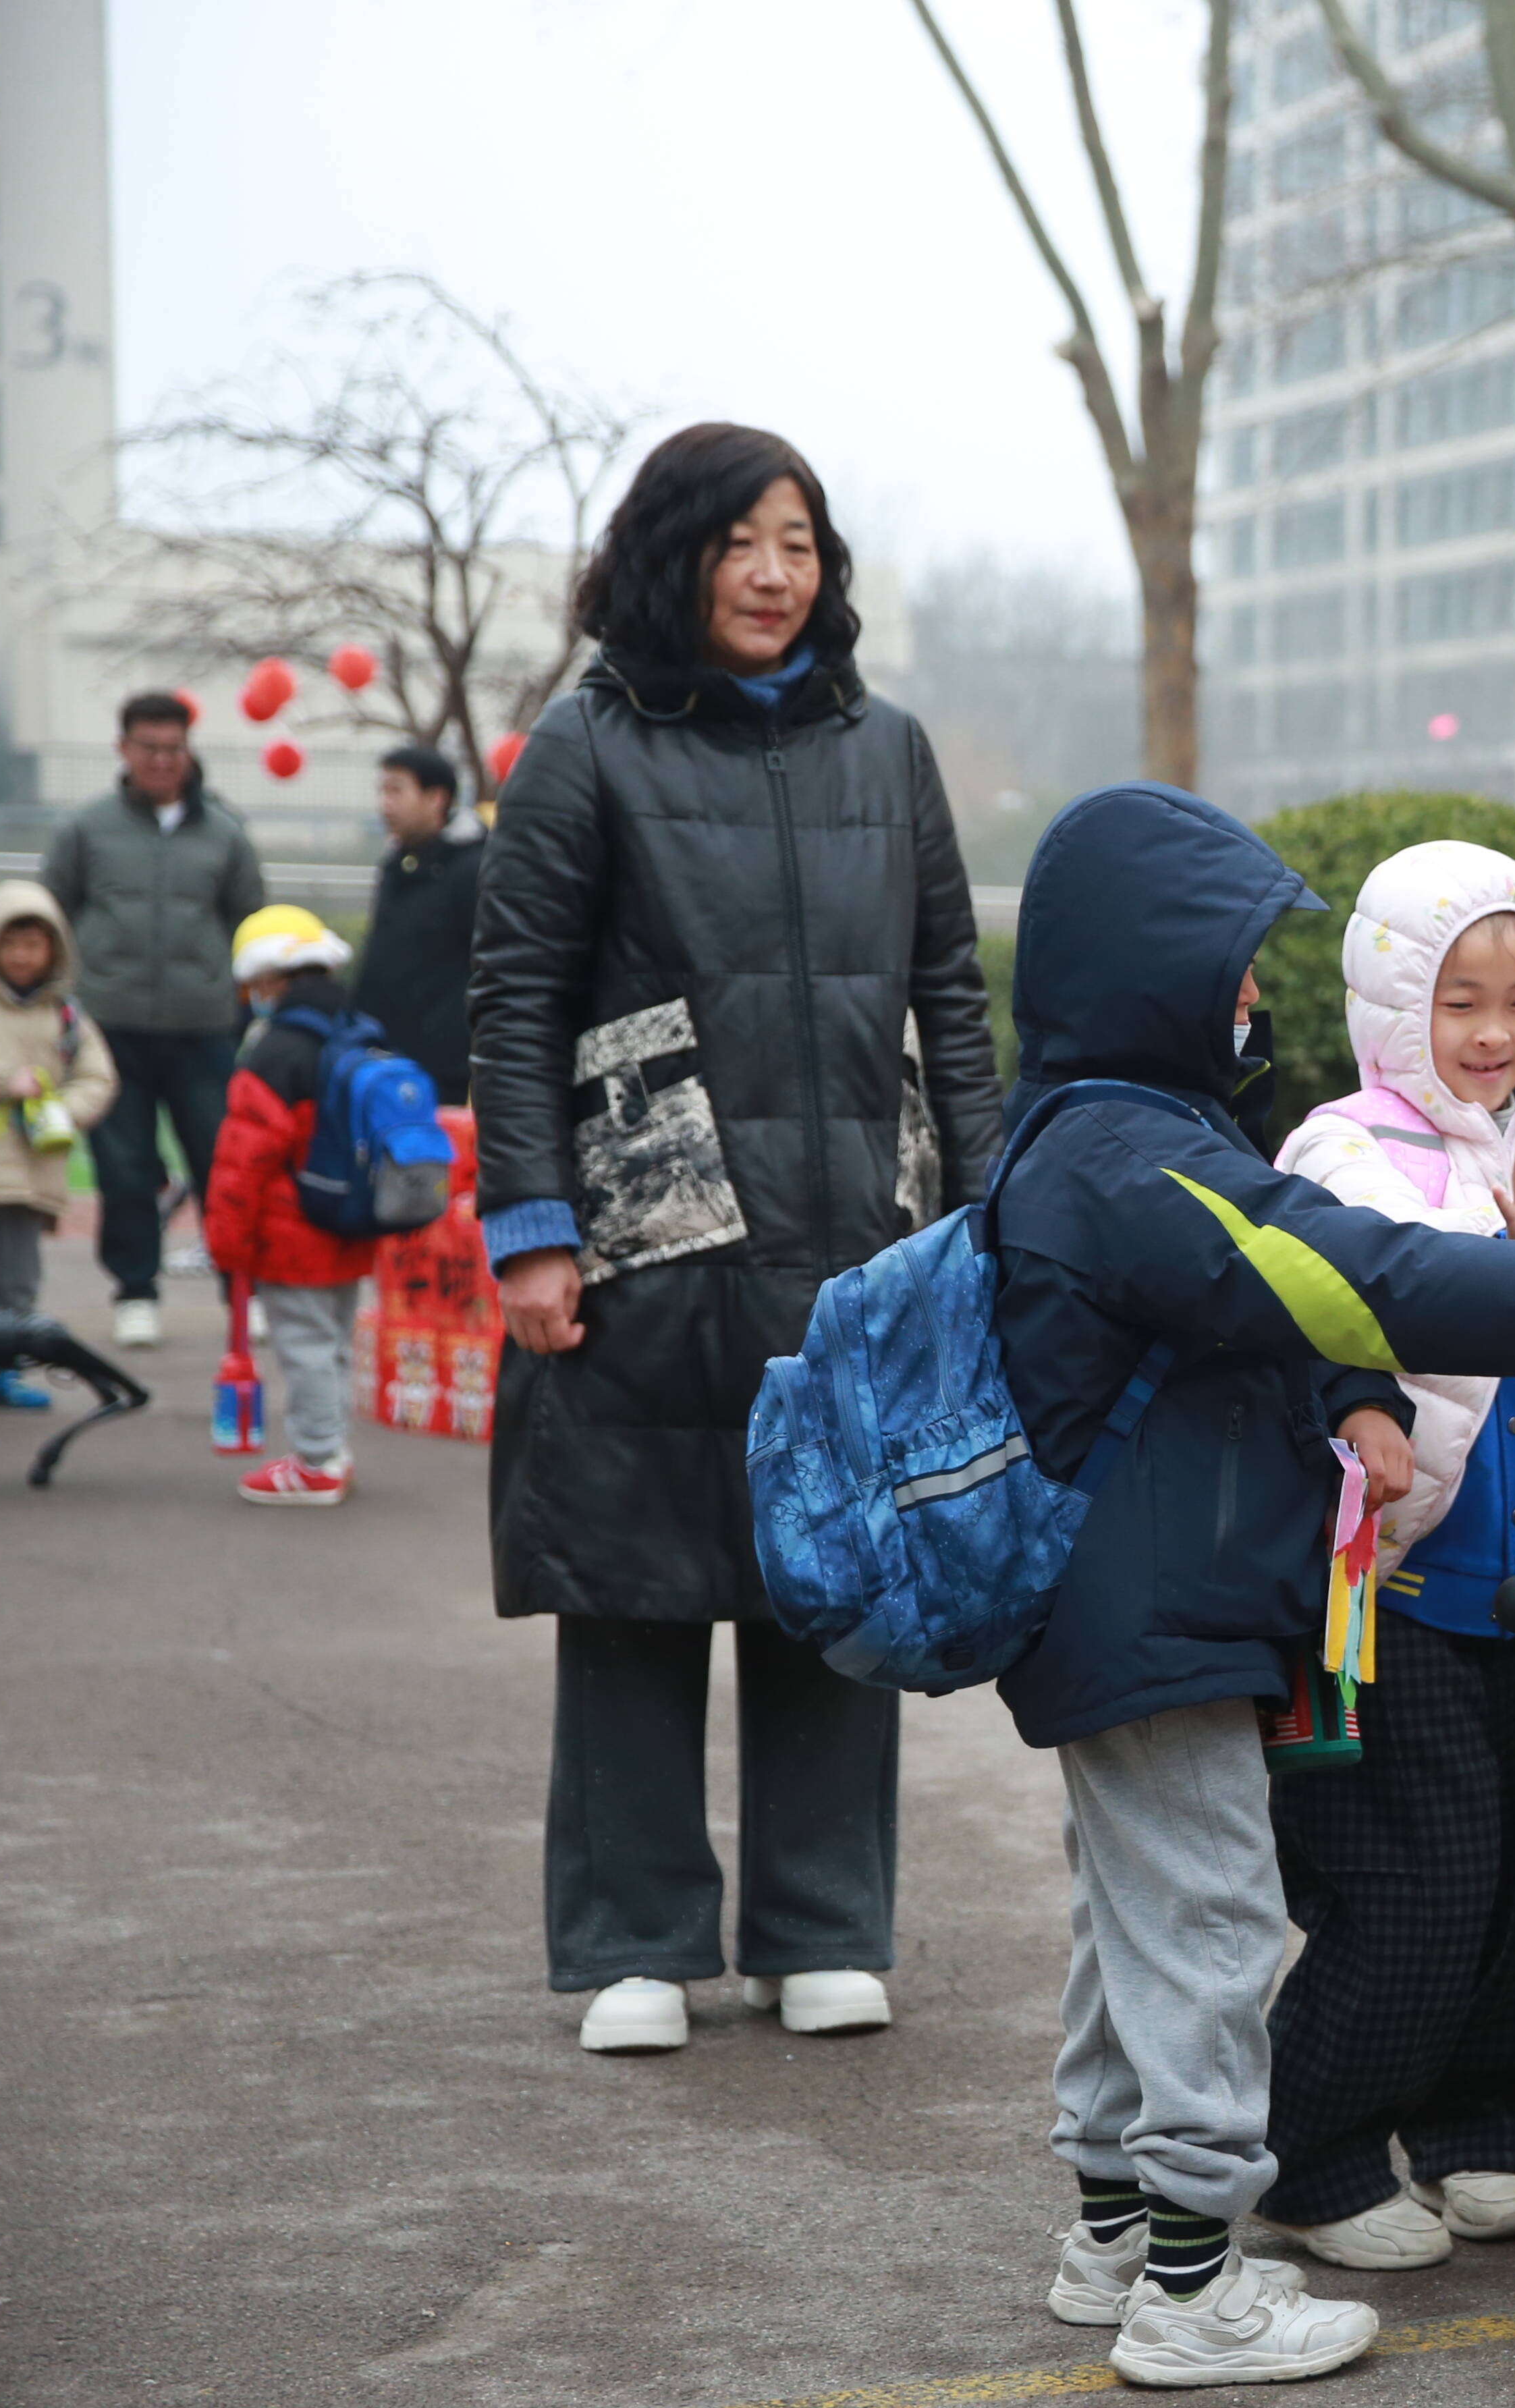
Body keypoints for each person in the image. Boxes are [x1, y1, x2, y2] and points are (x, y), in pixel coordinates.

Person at [985, 780, 1515, 2387]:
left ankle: (1117, 2238)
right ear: (1149, 967)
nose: (1253, 994)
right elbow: (1335, 1273)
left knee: (1143, 1926)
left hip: (1176, 1598)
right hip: (1176, 1607)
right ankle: (1194, 2279)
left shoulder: (1125, 1134)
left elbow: (1309, 1308)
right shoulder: (1139, 1154)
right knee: (1217, 1925)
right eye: (1230, 962)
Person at [468, 425, 1008, 2057]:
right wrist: (530, 1228)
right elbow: (515, 1003)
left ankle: (820, 1927)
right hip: (647, 1240)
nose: (775, 575)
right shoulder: (586, 746)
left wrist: (987, 1219)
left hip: (855, 1237)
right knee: (633, 1581)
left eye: (799, 544)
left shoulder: (886, 748)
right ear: (672, 557)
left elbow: (950, 1000)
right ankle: (635, 1940)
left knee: (838, 1575)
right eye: (739, 543)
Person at [1257, 844, 1515, 2271]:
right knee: (1416, 1890)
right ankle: (1315, 2156)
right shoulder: (1338, 1156)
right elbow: (1358, 1343)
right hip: (1401, 1596)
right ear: (1394, 1004)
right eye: (1460, 1002)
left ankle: (1479, 2135)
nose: (1496, 1034)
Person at [36, 691, 267, 1348]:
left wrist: (244, 1011)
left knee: (222, 1164)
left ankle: (241, 1292)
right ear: (124, 749)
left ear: (188, 750)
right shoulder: (87, 829)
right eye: (149, 748)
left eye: (173, 749)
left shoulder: (225, 833)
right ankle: (136, 1292)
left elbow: (251, 926)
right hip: (111, 1031)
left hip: (204, 1031)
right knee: (125, 1169)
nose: (162, 761)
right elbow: (51, 917)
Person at [200, 907, 387, 1504]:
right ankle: (333, 1448)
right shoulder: (359, 1033)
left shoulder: (275, 1051)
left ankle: (316, 1463)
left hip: (290, 1234)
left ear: (269, 981)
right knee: (333, 1344)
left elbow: (243, 1158)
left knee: (305, 1348)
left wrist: (226, 1242)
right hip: (352, 1223)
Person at [0, 878, 118, 1406]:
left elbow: (97, 1079)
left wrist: (63, 1111)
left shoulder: (66, 1016)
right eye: (10, 944)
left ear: (54, 948)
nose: (22, 956)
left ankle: (5, 1375)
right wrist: (6, 1080)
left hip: (30, 1179)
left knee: (18, 1286)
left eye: (33, 944)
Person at [356, 744, 484, 1103]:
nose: (385, 804)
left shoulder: (473, 869)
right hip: (385, 1056)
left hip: (445, 1070)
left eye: (396, 790)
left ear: (435, 798)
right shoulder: (396, 865)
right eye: (382, 791)